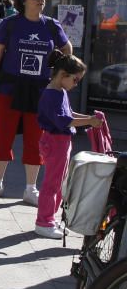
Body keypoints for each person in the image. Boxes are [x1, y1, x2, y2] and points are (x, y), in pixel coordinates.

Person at [0, 0, 72, 203]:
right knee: (4, 136)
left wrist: (59, 76)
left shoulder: (51, 26)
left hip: (40, 92)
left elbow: (67, 51)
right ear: (24, 0)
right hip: (10, 88)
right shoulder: (10, 24)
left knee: (36, 140)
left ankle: (30, 188)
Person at [33, 51, 103, 239]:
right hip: (56, 141)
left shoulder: (60, 91)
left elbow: (70, 114)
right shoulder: (52, 94)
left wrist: (90, 119)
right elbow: (65, 120)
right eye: (75, 80)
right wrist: (89, 120)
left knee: (58, 182)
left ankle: (49, 219)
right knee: (52, 183)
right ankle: (44, 221)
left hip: (60, 142)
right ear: (63, 74)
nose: (76, 84)